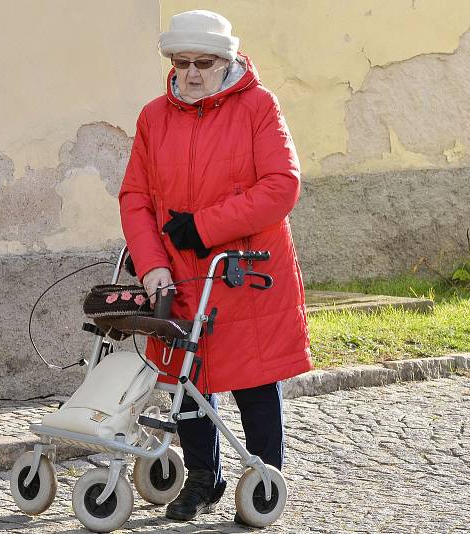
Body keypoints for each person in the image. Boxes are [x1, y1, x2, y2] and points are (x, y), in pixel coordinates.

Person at [118, 9, 313, 524]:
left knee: (254, 379)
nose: (192, 73)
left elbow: (281, 187)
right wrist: (150, 264)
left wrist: (203, 227)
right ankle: (203, 477)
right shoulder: (153, 117)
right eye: (182, 63)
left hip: (245, 270)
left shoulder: (259, 107)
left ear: (226, 61)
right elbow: (135, 197)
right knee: (188, 378)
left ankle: (264, 477)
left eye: (203, 62)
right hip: (180, 273)